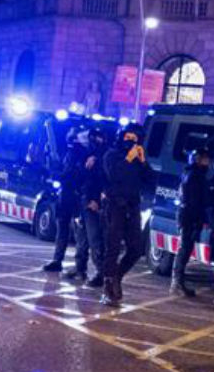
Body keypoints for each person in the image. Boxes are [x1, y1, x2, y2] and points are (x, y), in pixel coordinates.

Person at [100, 125, 154, 306]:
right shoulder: (111, 155)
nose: (131, 140)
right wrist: (128, 158)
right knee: (112, 248)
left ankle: (117, 276)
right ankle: (107, 287)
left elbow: (151, 180)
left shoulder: (138, 160)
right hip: (115, 205)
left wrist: (143, 161)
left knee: (136, 248)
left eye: (134, 137)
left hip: (133, 206)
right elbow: (114, 175)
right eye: (128, 136)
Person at [43, 129, 90, 273]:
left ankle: (79, 266)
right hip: (68, 196)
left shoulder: (82, 155)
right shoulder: (74, 154)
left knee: (78, 232)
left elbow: (70, 174)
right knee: (65, 229)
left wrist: (57, 175)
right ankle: (60, 260)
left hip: (75, 196)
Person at [69, 127, 110, 288]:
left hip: (92, 202)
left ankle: (101, 273)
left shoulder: (103, 157)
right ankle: (80, 269)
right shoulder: (88, 155)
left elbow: (100, 181)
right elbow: (81, 177)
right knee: (82, 238)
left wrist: (95, 201)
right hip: (83, 200)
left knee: (95, 240)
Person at [172, 147, 214, 298]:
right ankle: (177, 282)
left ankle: (178, 281)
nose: (207, 162)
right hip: (189, 215)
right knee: (185, 248)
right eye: (205, 159)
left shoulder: (193, 173)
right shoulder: (194, 175)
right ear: (198, 159)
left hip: (189, 215)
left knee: (186, 247)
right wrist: (202, 218)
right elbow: (195, 199)